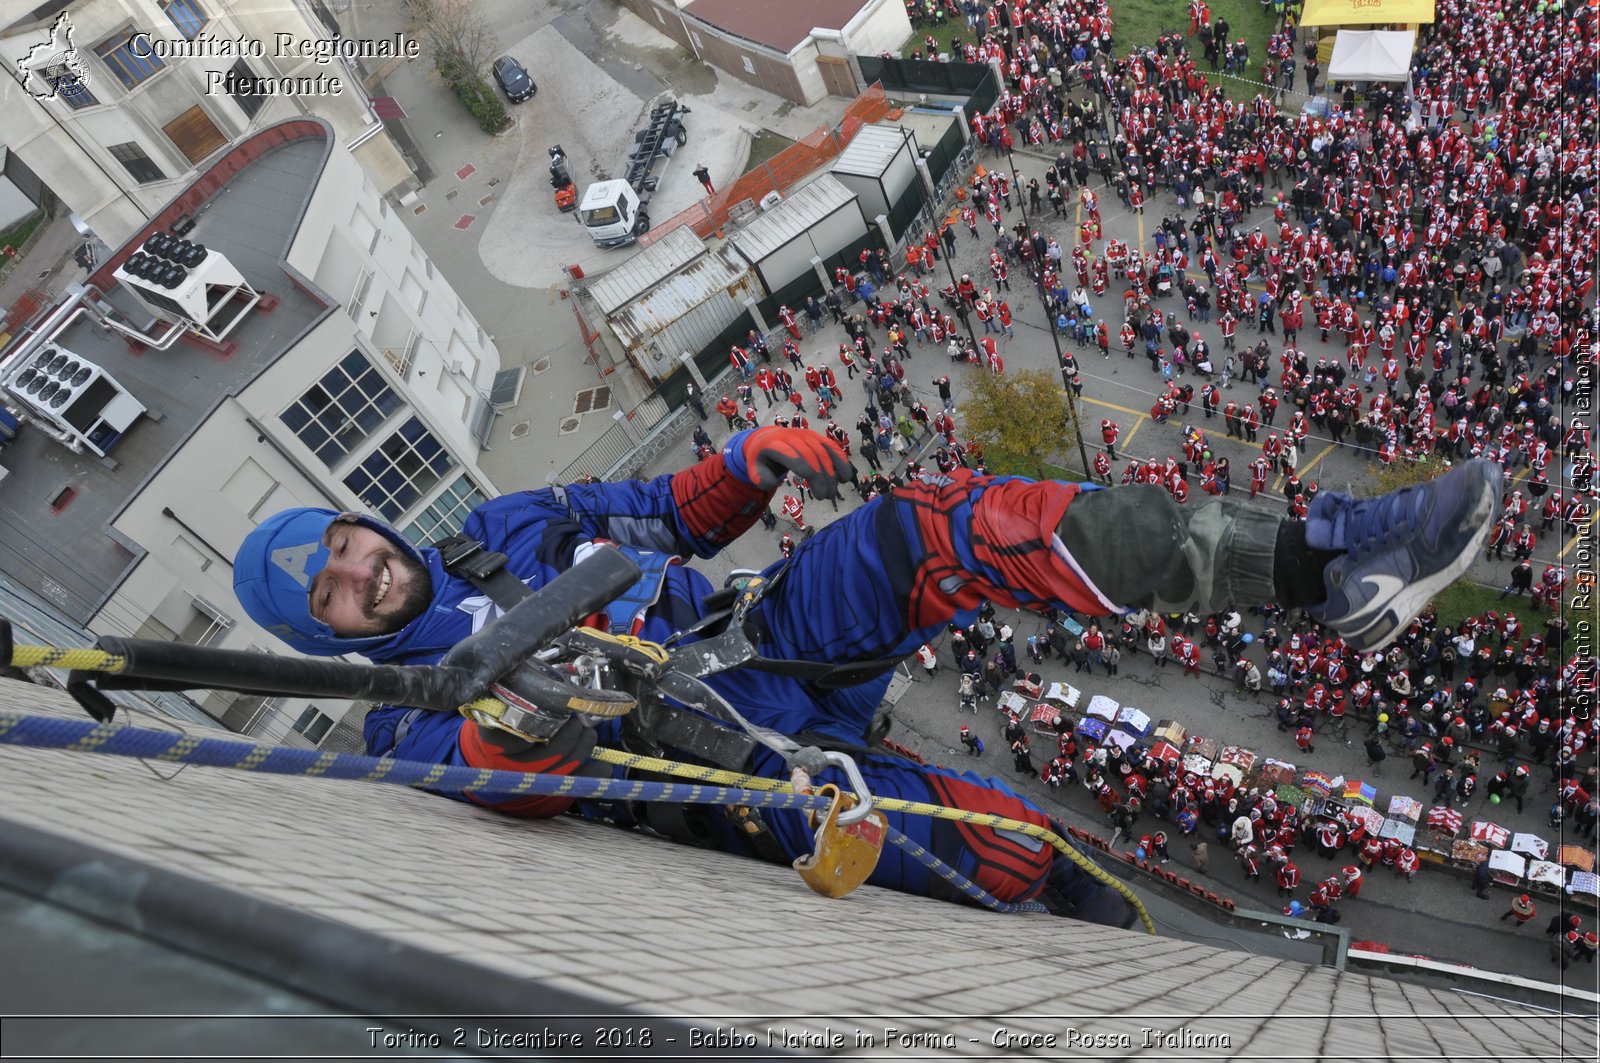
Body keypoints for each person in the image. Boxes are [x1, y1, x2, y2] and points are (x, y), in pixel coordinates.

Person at [233, 427, 1500, 925]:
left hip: (765, 639)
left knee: (935, 525)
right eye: (335, 593)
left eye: (347, 546)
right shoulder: (400, 715)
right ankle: (1099, 937)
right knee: (993, 841)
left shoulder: (503, 524)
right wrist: (513, 737)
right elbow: (484, 787)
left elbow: (667, 513)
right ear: (328, 633)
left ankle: (1328, 559)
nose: (364, 574)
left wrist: (747, 460)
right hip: (727, 768)